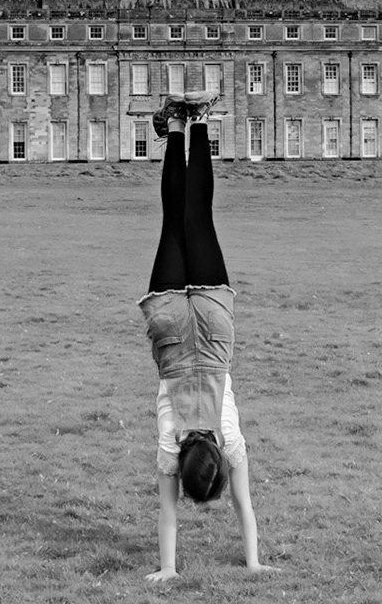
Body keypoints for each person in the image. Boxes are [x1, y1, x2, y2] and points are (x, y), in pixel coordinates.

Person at [137, 96, 274, 582]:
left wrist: (255, 561)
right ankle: (177, 125)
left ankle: (199, 123)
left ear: (215, 459)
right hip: (172, 331)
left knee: (199, 218)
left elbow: (243, 504)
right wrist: (167, 568)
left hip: (214, 331)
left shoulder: (230, 442)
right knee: (173, 221)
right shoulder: (170, 448)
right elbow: (168, 512)